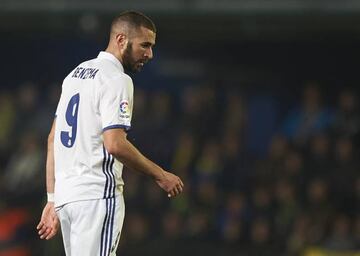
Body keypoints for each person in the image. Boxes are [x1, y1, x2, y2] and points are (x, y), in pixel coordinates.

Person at [36, 11, 184, 256]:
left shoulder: (74, 75)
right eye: (144, 45)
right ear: (121, 40)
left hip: (67, 200)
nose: (150, 54)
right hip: (96, 196)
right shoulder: (116, 79)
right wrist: (160, 175)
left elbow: (52, 139)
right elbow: (114, 144)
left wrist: (53, 198)